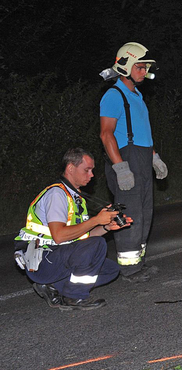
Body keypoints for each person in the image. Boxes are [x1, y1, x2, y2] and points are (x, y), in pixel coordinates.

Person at [15, 148, 128, 310]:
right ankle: (74, 296)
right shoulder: (57, 194)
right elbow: (60, 236)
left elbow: (82, 236)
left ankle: (52, 286)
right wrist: (96, 219)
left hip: (56, 255)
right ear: (70, 168)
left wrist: (106, 227)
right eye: (87, 170)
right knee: (97, 245)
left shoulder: (75, 197)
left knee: (111, 270)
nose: (92, 175)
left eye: (92, 170)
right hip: (42, 259)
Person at [99, 42, 167, 283]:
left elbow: (142, 133)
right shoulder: (113, 95)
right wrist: (120, 168)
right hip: (126, 160)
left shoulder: (136, 96)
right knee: (130, 216)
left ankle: (138, 263)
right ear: (126, 66)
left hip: (141, 158)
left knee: (145, 213)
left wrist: (154, 157)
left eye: (145, 67)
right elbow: (106, 134)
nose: (144, 72)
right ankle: (129, 270)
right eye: (140, 66)